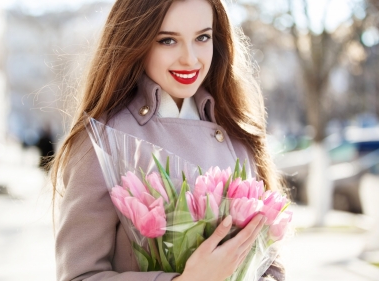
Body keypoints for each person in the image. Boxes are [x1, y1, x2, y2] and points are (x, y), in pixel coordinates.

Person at [50, 0, 286, 280]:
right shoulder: (104, 140)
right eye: (168, 40)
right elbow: (79, 275)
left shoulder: (238, 131)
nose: (190, 58)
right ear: (137, 41)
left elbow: (268, 259)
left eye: (202, 37)